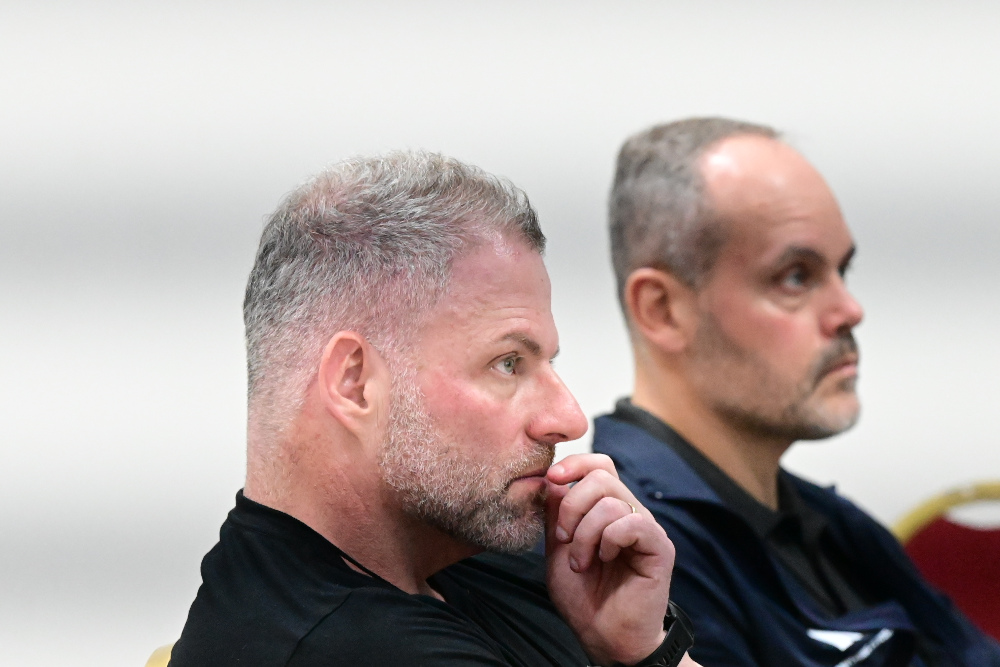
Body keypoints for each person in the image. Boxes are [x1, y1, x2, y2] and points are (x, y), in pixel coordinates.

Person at [170, 151, 699, 667]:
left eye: (547, 364)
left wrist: (641, 647)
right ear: (355, 384)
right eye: (508, 363)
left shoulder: (469, 560)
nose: (569, 419)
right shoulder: (350, 646)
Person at [593, 117, 1000, 666]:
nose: (849, 310)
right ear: (662, 310)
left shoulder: (828, 523)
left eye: (842, 270)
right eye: (796, 276)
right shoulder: (636, 554)